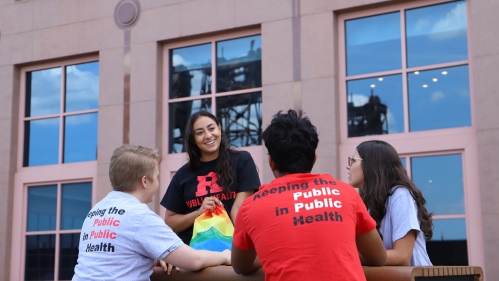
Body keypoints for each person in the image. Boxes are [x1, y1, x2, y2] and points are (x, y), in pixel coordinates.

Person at [231, 109, 386, 281]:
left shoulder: (251, 207)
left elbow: (240, 266)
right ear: (313, 158)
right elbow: (378, 257)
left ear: (271, 162)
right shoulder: (346, 193)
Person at [72, 145, 231, 281]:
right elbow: (194, 260)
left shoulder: (96, 211)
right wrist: (225, 256)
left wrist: (159, 255)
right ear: (145, 181)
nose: (157, 182)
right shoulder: (139, 216)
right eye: (156, 177)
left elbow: (116, 256)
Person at [161, 110, 260, 245]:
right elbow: (170, 221)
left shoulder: (242, 161)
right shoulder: (182, 175)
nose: (208, 135)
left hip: (233, 250)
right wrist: (198, 212)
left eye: (211, 128)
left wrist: (246, 247)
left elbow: (239, 212)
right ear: (193, 139)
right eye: (200, 133)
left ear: (219, 128)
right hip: (193, 253)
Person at [347, 140, 433, 266]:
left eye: (353, 160)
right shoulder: (368, 204)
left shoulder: (400, 194)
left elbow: (402, 256)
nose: (348, 166)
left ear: (371, 165)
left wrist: (348, 257)